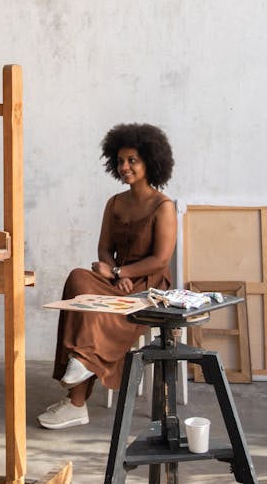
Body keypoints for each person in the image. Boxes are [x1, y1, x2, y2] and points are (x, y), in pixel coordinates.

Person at [37, 122, 176, 430]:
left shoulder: (162, 206)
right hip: (117, 280)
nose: (124, 166)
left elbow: (161, 259)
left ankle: (78, 392)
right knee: (78, 279)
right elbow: (104, 249)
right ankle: (82, 366)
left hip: (149, 285)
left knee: (96, 306)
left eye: (132, 161)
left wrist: (120, 272)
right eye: (120, 161)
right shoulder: (114, 203)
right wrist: (113, 274)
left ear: (150, 162)